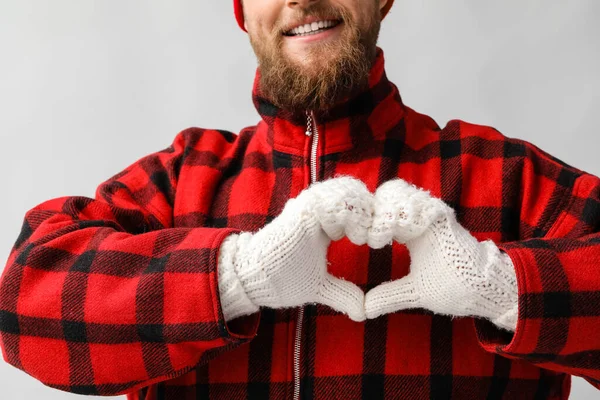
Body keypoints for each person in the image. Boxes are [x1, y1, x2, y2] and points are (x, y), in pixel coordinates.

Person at [1, 0, 599, 398]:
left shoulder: (504, 176)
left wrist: (506, 287)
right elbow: (23, 305)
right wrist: (236, 277)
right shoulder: (182, 179)